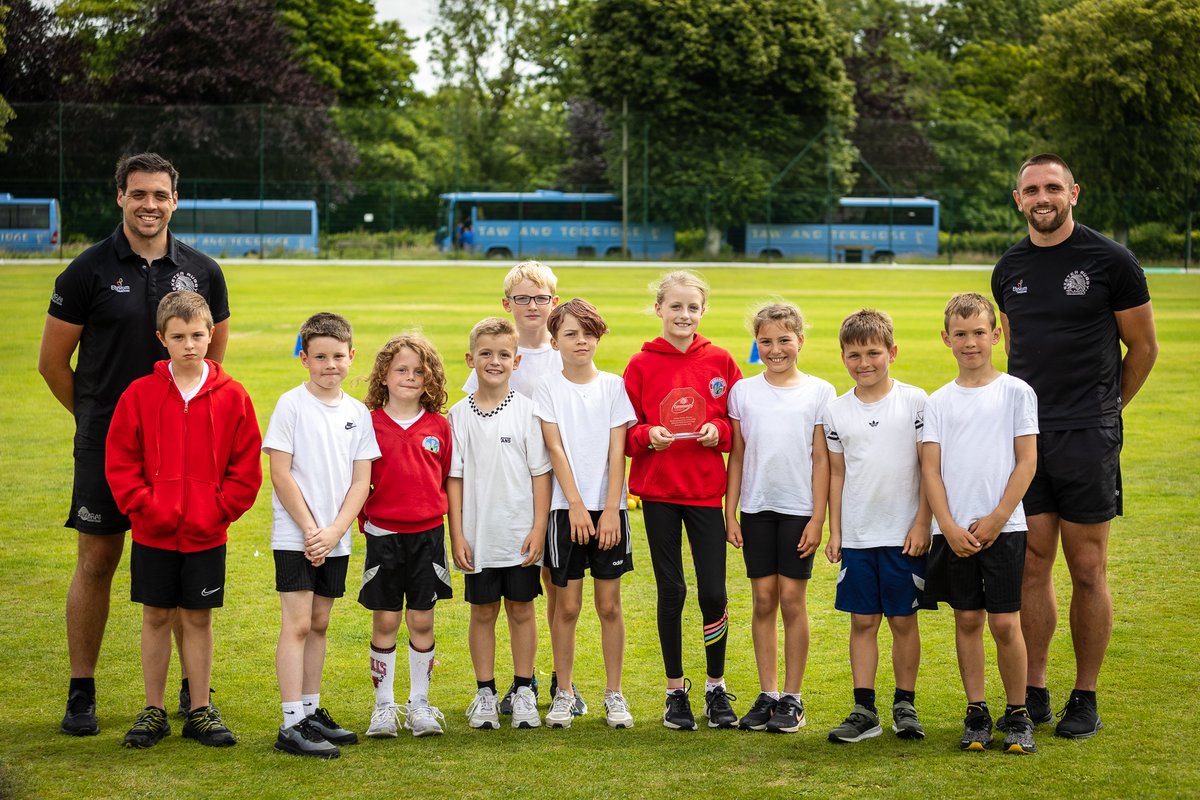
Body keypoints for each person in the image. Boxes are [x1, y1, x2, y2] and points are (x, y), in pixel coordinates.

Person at [39, 152, 231, 736]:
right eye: (139, 193)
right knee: (97, 561)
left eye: (161, 195)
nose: (150, 205)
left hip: (183, 450)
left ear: (176, 200)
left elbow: (213, 356)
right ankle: (82, 691)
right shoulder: (86, 270)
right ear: (119, 195)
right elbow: (52, 365)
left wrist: (185, 422)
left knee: (178, 558)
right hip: (105, 445)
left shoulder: (202, 270)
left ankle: (190, 690)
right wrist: (110, 428)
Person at [991, 153, 1158, 738]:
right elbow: (1015, 353)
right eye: (1032, 188)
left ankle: (1084, 695)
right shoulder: (1007, 268)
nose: (1043, 197)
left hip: (1088, 435)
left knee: (1087, 566)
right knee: (1033, 561)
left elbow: (1142, 349)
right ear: (1018, 199)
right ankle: (1034, 687)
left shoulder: (1111, 260)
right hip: (1028, 438)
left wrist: (1108, 410)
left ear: (1074, 193)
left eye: (1053, 187)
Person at [104, 291, 260, 749]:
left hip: (206, 534)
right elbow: (121, 460)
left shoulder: (233, 396)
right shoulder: (140, 394)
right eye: (178, 336)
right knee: (155, 616)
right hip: (154, 531)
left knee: (198, 618)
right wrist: (145, 506)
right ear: (161, 339)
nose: (189, 344)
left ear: (212, 335)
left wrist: (218, 510)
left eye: (197, 335)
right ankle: (152, 710)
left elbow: (246, 468)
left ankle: (199, 710)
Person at [622, 270, 743, 730]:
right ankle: (676, 692)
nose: (684, 315)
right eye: (675, 306)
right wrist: (647, 434)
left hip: (706, 494)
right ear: (659, 309)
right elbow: (626, 434)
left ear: (703, 311)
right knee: (672, 591)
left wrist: (720, 433)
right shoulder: (640, 365)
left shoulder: (721, 360)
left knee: (714, 592)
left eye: (692, 307)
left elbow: (735, 427)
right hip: (658, 494)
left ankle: (715, 687)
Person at [461, 261, 581, 716]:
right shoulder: (497, 354)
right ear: (507, 304)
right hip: (514, 497)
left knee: (555, 590)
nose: (533, 307)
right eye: (523, 299)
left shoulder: (565, 352)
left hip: (559, 489)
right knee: (522, 591)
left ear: (554, 300)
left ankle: (557, 682)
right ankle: (510, 686)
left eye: (541, 298)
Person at [921, 293, 1039, 755]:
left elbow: (1026, 462)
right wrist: (947, 525)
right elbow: (930, 469)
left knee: (1006, 623)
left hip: (1004, 529)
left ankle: (1019, 712)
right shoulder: (938, 401)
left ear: (996, 335)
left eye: (978, 333)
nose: (970, 343)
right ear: (946, 339)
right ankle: (976, 711)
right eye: (960, 334)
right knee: (967, 618)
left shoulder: (1016, 392)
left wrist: (995, 519)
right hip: (952, 532)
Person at [263, 312, 379, 759]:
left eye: (338, 356)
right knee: (296, 624)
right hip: (296, 537)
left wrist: (334, 531)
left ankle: (310, 712)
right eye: (320, 357)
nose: (330, 365)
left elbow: (360, 482)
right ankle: (291, 721)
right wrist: (312, 529)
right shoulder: (291, 405)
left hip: (335, 538)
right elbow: (280, 471)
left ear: (352, 357)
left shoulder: (357, 413)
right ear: (304, 359)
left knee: (320, 623)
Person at [821, 309, 931, 744]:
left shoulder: (916, 401)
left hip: (906, 535)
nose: (864, 362)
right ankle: (864, 709)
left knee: (904, 621)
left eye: (873, 353)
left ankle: (905, 704)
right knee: (863, 622)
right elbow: (836, 473)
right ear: (843, 357)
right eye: (854, 355)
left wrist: (924, 521)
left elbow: (929, 469)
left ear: (892, 352)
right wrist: (835, 530)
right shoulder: (836, 410)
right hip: (860, 536)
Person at [725, 302, 834, 734]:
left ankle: (793, 697)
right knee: (763, 601)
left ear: (800, 340)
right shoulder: (743, 392)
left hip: (798, 510)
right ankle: (768, 694)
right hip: (756, 509)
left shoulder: (820, 391)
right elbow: (738, 455)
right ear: (757, 344)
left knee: (792, 600)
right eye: (766, 341)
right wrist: (729, 511)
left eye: (784, 340)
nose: (775, 349)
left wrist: (817, 518)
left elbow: (822, 461)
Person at [533, 299, 637, 730]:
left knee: (609, 605)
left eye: (589, 333)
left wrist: (611, 509)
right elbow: (554, 448)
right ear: (554, 341)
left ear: (599, 337)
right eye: (571, 334)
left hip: (609, 509)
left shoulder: (613, 386)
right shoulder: (546, 387)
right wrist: (575, 504)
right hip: (564, 510)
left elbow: (618, 451)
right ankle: (565, 692)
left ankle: (614, 694)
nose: (581, 341)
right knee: (568, 606)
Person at [448, 317, 553, 730]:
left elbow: (540, 476)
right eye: (486, 354)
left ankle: (524, 690)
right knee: (483, 612)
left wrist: (539, 528)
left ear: (517, 360)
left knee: (522, 610)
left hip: (519, 536)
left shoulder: (528, 412)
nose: (495, 361)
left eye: (504, 354)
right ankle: (485, 693)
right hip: (478, 536)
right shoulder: (458, 415)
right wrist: (457, 533)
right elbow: (454, 478)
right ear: (470, 359)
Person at [359, 334, 454, 739]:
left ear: (430, 378)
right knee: (386, 619)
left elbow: (448, 479)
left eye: (419, 371)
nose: (410, 377)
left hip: (428, 536)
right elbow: (357, 482)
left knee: (422, 619)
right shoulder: (367, 423)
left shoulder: (439, 426)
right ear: (384, 373)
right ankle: (384, 707)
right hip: (384, 536)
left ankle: (420, 704)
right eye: (401, 369)